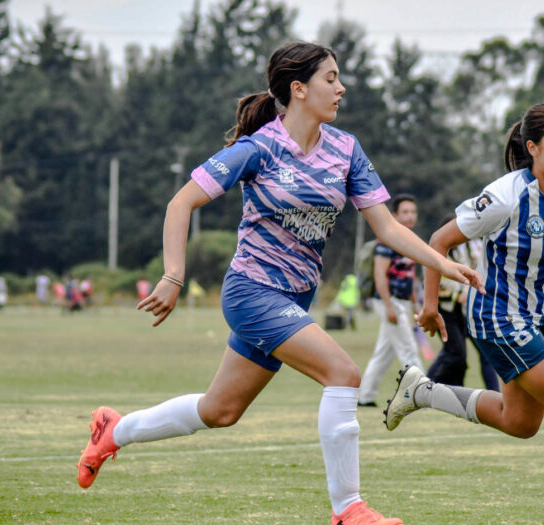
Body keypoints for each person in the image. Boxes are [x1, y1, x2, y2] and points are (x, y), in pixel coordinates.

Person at [74, 41, 482, 525]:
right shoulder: (258, 148)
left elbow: (387, 228)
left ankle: (113, 431)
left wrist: (442, 261)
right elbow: (180, 203)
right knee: (344, 374)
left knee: (220, 410)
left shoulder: (346, 149)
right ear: (298, 89)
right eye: (331, 78)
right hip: (251, 292)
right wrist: (173, 276)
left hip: (295, 299)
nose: (341, 88)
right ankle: (348, 510)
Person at [384, 102, 544, 525]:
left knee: (520, 422)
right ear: (533, 147)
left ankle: (422, 392)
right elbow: (437, 242)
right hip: (498, 315)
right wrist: (429, 305)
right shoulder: (504, 197)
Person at [357, 195, 425, 407]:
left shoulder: (410, 239)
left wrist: (415, 303)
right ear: (394, 215)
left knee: (384, 353)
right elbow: (380, 275)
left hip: (403, 301)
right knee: (408, 348)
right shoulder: (387, 240)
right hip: (389, 301)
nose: (410, 216)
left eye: (413, 212)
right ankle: (423, 394)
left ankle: (366, 396)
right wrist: (388, 306)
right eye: (405, 212)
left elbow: (410, 276)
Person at [426, 219, 499, 391]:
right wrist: (459, 294)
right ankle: (431, 389)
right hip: (446, 309)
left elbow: (482, 269)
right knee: (456, 353)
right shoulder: (439, 250)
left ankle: (492, 392)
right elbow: (437, 279)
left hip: (468, 310)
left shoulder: (470, 246)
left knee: (476, 352)